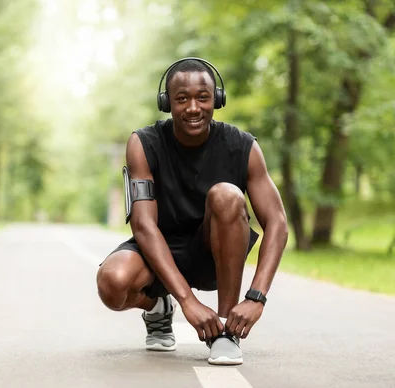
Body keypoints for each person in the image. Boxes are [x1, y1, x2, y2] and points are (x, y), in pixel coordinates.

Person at [96, 57, 289, 365]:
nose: (193, 107)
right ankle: (159, 308)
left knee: (226, 195)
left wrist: (256, 297)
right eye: (182, 99)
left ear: (217, 100)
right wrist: (187, 301)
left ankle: (226, 332)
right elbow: (144, 227)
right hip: (158, 251)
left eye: (203, 97)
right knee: (112, 282)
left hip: (214, 254)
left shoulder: (243, 147)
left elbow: (277, 223)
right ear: (167, 103)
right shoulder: (143, 144)